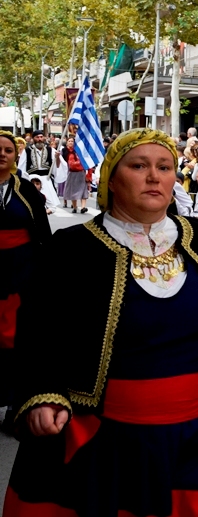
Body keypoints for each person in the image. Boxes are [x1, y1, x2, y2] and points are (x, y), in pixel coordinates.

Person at [3, 128, 198, 516]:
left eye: (164, 167)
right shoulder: (72, 249)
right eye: (139, 166)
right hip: (101, 439)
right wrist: (44, 392)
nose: (154, 176)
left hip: (192, 438)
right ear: (112, 177)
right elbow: (40, 326)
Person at [0, 131, 52, 432]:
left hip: (21, 274)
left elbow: (41, 232)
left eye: (9, 149)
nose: (3, 153)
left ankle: (13, 407)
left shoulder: (27, 191)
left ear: (16, 155)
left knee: (15, 341)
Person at [62, 137, 91, 214]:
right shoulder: (68, 152)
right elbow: (70, 164)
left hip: (82, 173)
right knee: (73, 191)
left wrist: (88, 175)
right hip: (72, 173)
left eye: (72, 141)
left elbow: (87, 163)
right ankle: (75, 207)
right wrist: (79, 163)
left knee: (83, 190)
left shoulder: (81, 153)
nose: (71, 142)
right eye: (69, 141)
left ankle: (83, 207)